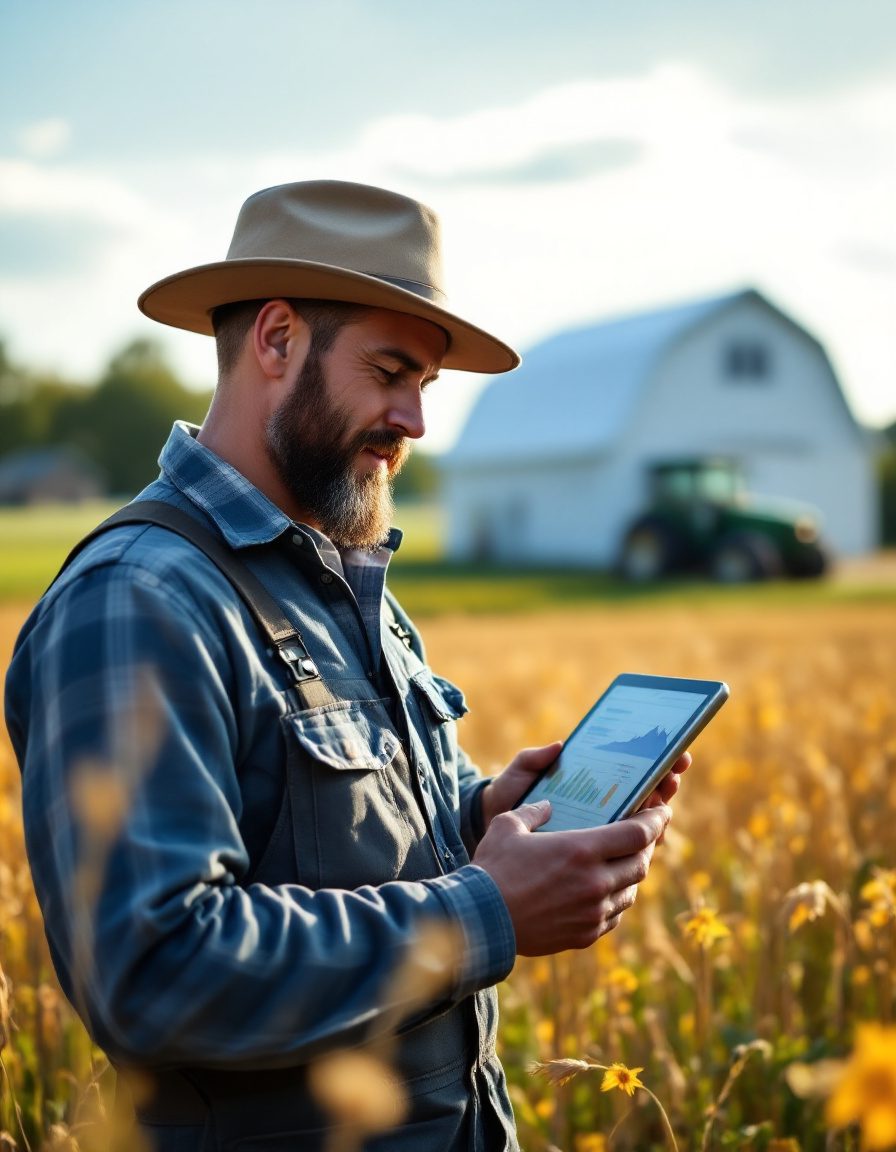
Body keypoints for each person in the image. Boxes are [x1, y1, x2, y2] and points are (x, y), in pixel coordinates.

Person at [4, 180, 688, 1152]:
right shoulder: (138, 599)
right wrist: (485, 911)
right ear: (277, 340)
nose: (415, 420)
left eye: (425, 385)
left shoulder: (341, 575)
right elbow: (153, 974)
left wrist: (482, 817)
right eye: (390, 372)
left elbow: (334, 843)